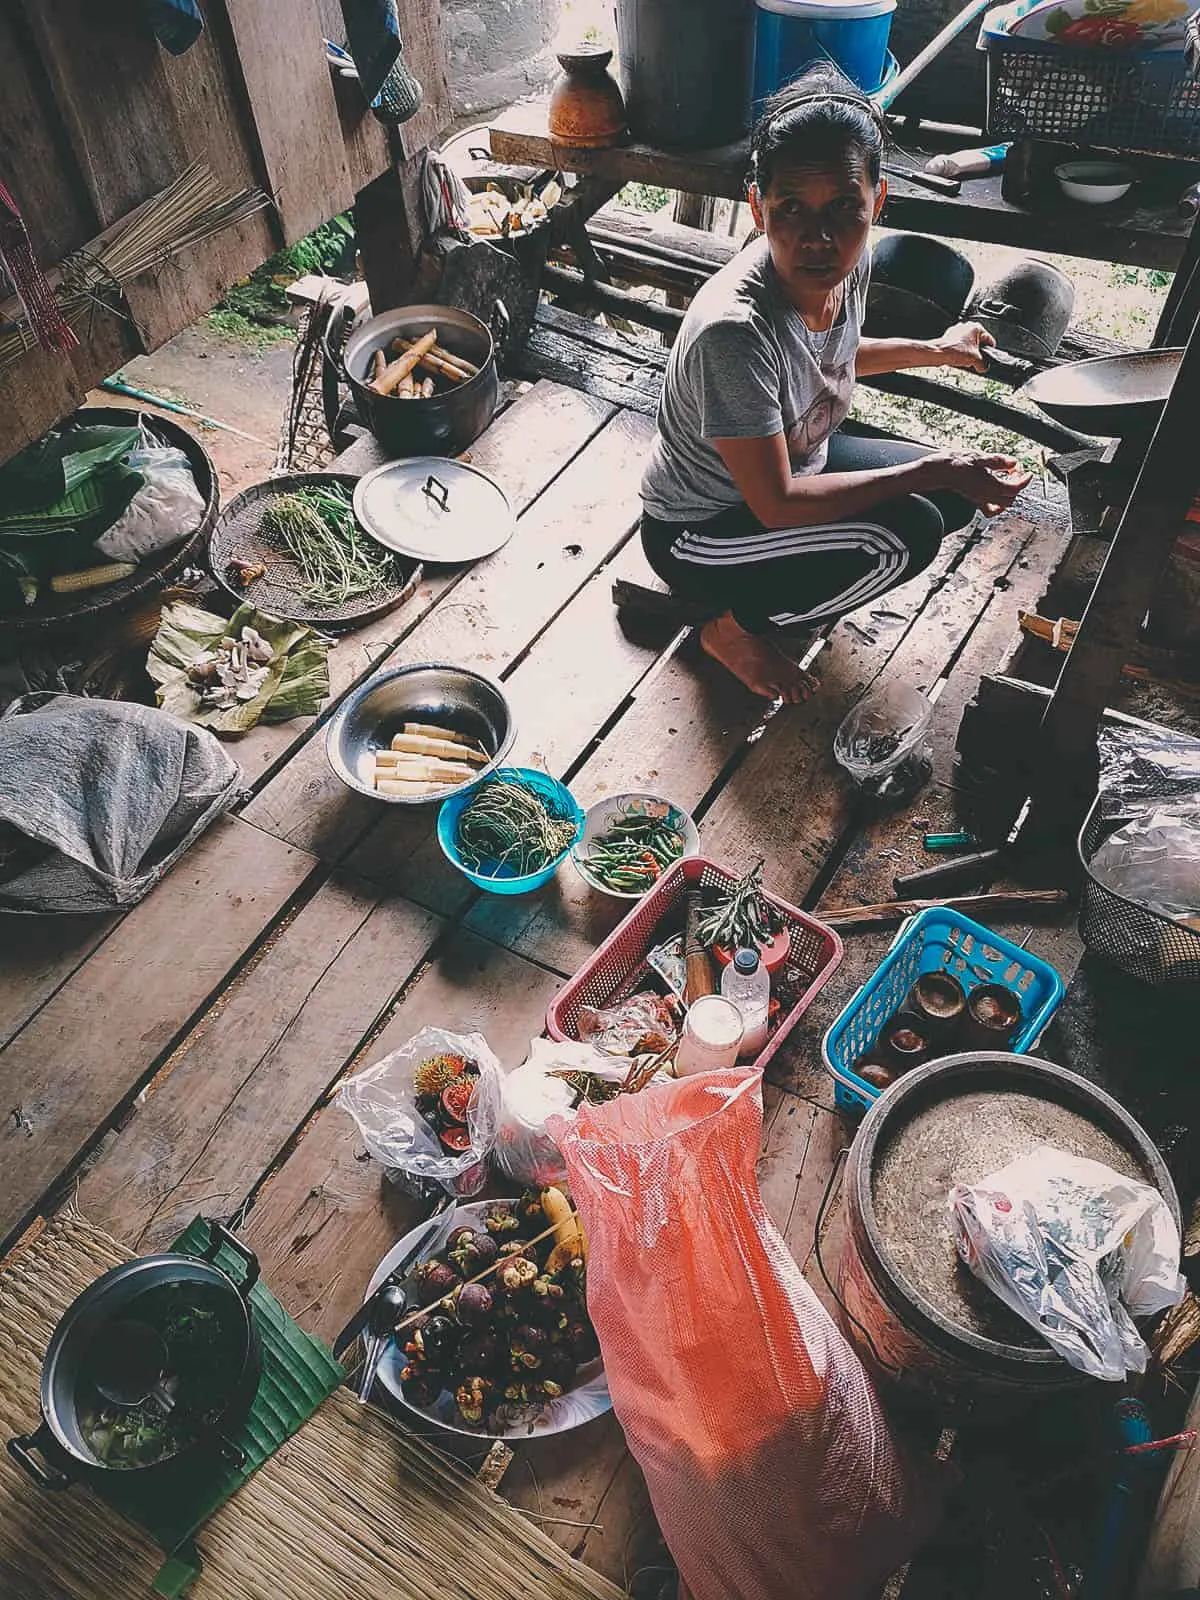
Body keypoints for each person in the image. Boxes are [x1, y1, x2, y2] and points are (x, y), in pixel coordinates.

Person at [639, 67, 1033, 702]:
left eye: (844, 208)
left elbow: (835, 357)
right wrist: (935, 465)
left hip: (790, 469)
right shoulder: (734, 332)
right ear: (756, 205)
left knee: (951, 498)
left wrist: (939, 350)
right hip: (700, 528)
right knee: (909, 533)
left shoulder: (842, 268)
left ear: (878, 202)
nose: (818, 237)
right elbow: (777, 505)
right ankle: (732, 630)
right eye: (790, 208)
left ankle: (797, 583)